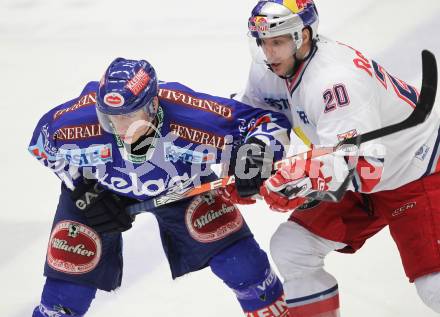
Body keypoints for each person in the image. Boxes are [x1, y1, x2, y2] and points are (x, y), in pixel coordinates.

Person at [28, 57, 294, 317]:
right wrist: (82, 187)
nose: (120, 128)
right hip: (99, 193)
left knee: (246, 269)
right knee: (63, 297)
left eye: (130, 116)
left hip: (182, 187)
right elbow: (42, 145)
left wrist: (257, 153)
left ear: (154, 105)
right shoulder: (76, 122)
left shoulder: (192, 116)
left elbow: (267, 123)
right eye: (109, 118)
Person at [226, 0, 440, 316]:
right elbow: (260, 117)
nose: (269, 53)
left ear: (305, 36)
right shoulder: (269, 68)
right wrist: (253, 155)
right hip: (363, 176)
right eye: (262, 42)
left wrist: (298, 181)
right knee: (293, 247)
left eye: (278, 42)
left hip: (418, 170)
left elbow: (363, 167)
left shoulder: (336, 81)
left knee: (433, 286)